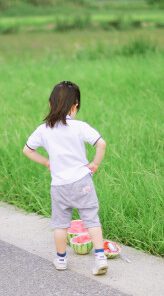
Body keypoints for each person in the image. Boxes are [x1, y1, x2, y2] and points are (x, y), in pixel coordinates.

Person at [23, 81, 108, 275]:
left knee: (61, 224)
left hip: (59, 185)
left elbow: (27, 150)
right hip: (82, 181)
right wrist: (94, 164)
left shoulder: (44, 129)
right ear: (75, 106)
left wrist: (46, 161)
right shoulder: (79, 126)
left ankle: (61, 259)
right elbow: (101, 144)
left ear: (51, 104)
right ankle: (101, 257)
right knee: (91, 219)